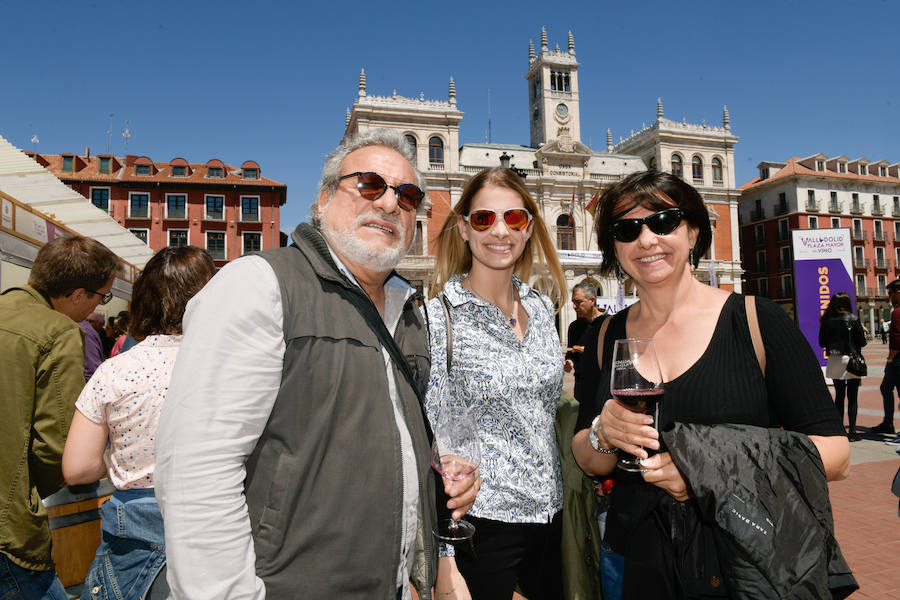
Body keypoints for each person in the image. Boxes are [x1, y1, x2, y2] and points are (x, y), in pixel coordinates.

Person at [154, 129, 479, 600]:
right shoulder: (258, 285)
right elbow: (196, 473)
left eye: (408, 196)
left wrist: (428, 484)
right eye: (370, 184)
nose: (390, 204)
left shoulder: (407, 314)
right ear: (324, 199)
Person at [572, 171, 851, 598]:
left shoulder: (757, 321)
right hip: (632, 561)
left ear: (694, 232)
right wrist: (602, 434)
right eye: (627, 229)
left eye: (664, 221)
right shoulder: (603, 337)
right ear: (614, 247)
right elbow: (590, 460)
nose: (646, 239)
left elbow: (836, 454)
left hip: (740, 561)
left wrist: (708, 472)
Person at [426, 166, 567, 600]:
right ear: (465, 229)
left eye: (515, 219)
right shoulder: (438, 317)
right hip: (480, 527)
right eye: (485, 219)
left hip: (550, 520)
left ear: (529, 229)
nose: (500, 230)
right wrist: (444, 559)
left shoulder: (542, 308)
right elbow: (430, 438)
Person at [62, 246, 215, 600]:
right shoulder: (233, 367)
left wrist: (125, 458)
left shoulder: (115, 372)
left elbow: (78, 468)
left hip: (135, 529)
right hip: (214, 521)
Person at [0, 234, 119, 600]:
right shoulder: (59, 332)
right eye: (103, 296)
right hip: (9, 527)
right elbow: (57, 447)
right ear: (77, 294)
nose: (100, 306)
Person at [819, 293, 867, 442]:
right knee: (853, 398)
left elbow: (822, 342)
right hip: (851, 361)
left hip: (835, 360)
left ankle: (839, 430)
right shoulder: (853, 319)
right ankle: (852, 431)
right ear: (847, 303)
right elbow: (862, 342)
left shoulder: (827, 321)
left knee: (839, 396)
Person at [564, 282, 606, 402]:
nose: (574, 306)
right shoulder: (574, 327)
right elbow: (571, 353)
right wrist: (569, 361)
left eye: (578, 302)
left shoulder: (608, 323)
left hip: (602, 384)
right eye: (573, 302)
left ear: (592, 300)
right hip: (580, 385)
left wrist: (586, 350)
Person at [874, 280, 900, 436]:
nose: (889, 298)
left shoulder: (897, 312)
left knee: (887, 388)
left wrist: (890, 359)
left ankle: (888, 423)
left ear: (898, 292)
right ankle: (888, 422)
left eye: (891, 294)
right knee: (885, 388)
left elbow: (897, 340)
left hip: (897, 360)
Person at [78, 313, 105, 381]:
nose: (88, 324)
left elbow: (92, 368)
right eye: (87, 321)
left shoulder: (87, 332)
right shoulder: (87, 331)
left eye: (91, 321)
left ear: (100, 324)